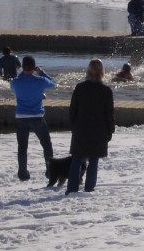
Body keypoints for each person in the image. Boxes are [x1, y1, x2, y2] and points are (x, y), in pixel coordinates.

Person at [66, 59, 115, 194]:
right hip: (99, 130)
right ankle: (89, 188)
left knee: (76, 158)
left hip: (81, 128)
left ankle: (71, 188)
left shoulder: (80, 88)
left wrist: (73, 126)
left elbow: (73, 110)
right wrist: (110, 130)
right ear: (102, 72)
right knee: (94, 159)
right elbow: (109, 113)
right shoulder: (106, 91)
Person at [10, 55, 55, 181]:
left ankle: (22, 172)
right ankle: (50, 171)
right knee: (46, 144)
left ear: (23, 67)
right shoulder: (40, 80)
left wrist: (22, 74)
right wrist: (42, 72)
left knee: (22, 146)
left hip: (21, 116)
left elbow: (14, 85)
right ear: (34, 67)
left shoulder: (16, 82)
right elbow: (53, 83)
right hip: (37, 116)